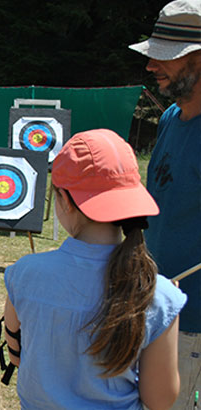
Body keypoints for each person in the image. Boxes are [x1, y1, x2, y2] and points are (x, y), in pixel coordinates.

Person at [2, 129, 187, 409]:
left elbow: (16, 354)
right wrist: (163, 301)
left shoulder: (23, 273)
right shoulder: (159, 296)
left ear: (63, 200)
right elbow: (160, 399)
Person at [129, 1, 201, 407]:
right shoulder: (172, 117)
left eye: (166, 57)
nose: (152, 65)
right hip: (152, 310)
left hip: (194, 324)